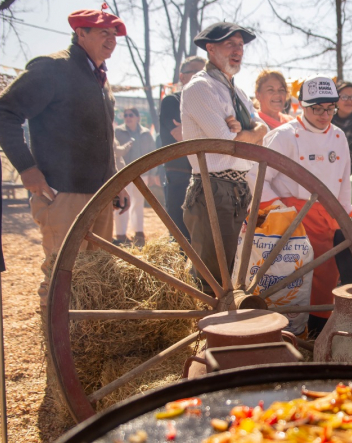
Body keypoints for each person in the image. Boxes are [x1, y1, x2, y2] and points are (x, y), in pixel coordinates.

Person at [0, 8, 131, 313]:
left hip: (98, 194)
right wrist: (27, 167)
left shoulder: (99, 78)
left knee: (95, 275)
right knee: (62, 275)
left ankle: (82, 349)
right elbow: (4, 113)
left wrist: (115, 180)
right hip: (63, 192)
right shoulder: (53, 69)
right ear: (80, 33)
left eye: (114, 35)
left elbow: (102, 139)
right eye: (102, 32)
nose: (111, 40)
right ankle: (55, 354)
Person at [261, 76, 352, 337]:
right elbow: (257, 178)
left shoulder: (339, 136)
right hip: (293, 221)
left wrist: (344, 220)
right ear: (301, 105)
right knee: (292, 280)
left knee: (325, 279)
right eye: (317, 108)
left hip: (329, 219)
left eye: (330, 108)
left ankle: (318, 335)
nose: (325, 115)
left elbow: (344, 181)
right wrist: (281, 211)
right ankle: (283, 332)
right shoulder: (283, 135)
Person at [180, 22, 268, 283]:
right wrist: (247, 134)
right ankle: (206, 322)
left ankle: (224, 319)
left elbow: (259, 131)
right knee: (211, 278)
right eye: (230, 44)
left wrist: (249, 132)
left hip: (240, 189)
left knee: (230, 271)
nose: (237, 50)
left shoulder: (237, 92)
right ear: (210, 48)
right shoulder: (199, 88)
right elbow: (227, 142)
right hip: (212, 188)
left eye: (240, 45)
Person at [157, 55, 206, 240]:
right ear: (182, 77)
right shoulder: (172, 102)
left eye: (204, 73)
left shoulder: (210, 106)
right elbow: (181, 137)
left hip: (207, 177)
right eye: (195, 72)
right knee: (180, 236)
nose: (200, 77)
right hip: (180, 176)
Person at [114, 108, 159, 247]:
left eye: (131, 115)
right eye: (125, 115)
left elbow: (153, 153)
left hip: (142, 174)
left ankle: (138, 231)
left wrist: (153, 173)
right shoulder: (118, 132)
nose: (128, 117)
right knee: (122, 203)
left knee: (138, 204)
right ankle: (121, 234)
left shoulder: (146, 133)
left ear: (138, 117)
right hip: (124, 174)